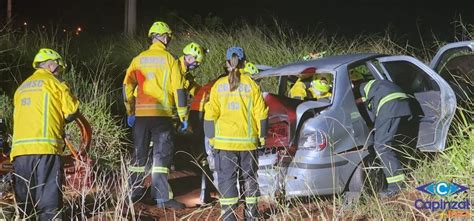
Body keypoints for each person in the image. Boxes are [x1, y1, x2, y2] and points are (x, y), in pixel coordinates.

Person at [123, 21, 188, 209]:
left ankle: (133, 194)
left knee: (138, 156)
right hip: (162, 116)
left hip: (141, 117)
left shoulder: (138, 59)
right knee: (161, 157)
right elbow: (179, 90)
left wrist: (130, 111)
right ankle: (161, 198)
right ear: (165, 37)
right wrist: (183, 116)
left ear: (152, 37)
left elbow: (126, 87)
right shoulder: (170, 60)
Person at [12, 48, 80, 220]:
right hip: (45, 149)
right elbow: (72, 112)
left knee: (24, 204)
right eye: (59, 69)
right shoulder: (56, 84)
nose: (60, 73)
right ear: (51, 66)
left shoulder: (20, 88)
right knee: (48, 203)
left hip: (20, 152)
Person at [204, 46, 268, 220]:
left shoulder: (218, 86)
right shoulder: (252, 85)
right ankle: (251, 216)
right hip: (248, 143)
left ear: (227, 63)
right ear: (245, 62)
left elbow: (209, 115)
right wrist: (262, 138)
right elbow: (261, 114)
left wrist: (211, 138)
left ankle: (229, 217)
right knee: (249, 180)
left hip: (224, 144)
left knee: (227, 181)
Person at [357, 79, 413, 198]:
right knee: (389, 142)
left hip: (390, 105)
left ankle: (397, 186)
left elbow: (367, 110)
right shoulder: (370, 83)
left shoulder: (355, 91)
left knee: (382, 146)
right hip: (402, 100)